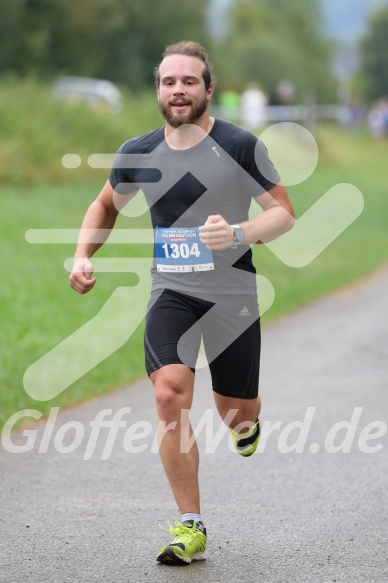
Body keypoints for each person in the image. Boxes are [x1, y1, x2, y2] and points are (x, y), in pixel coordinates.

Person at [69, 41, 295, 565]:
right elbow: (104, 206)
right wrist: (82, 254)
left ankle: (247, 423)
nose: (178, 90)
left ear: (208, 90)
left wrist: (239, 231)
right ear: (158, 90)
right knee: (170, 394)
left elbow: (283, 214)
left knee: (236, 414)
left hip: (233, 295)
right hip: (172, 290)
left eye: (189, 81)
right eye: (169, 82)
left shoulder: (240, 146)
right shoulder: (140, 152)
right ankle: (190, 525)